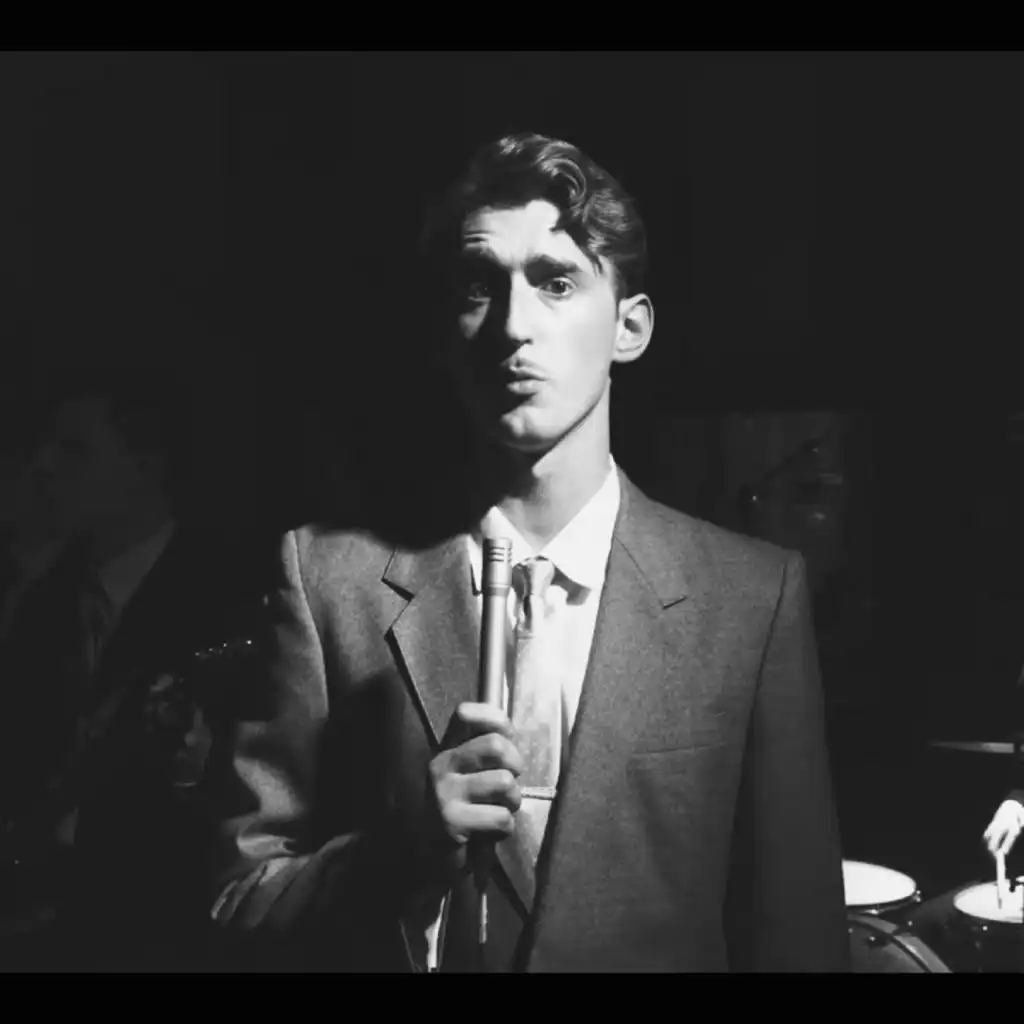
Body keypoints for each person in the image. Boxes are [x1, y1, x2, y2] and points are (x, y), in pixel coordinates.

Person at [208, 132, 849, 972]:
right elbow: (237, 902)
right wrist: (399, 851)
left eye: (556, 282)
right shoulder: (329, 580)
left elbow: (797, 934)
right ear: (446, 331)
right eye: (480, 287)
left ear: (629, 327)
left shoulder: (748, 598)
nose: (512, 326)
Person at [0, 368, 262, 971]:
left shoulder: (232, 598)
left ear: (148, 464)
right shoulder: (43, 599)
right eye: (46, 445)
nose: (43, 466)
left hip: (162, 931)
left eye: (75, 449)